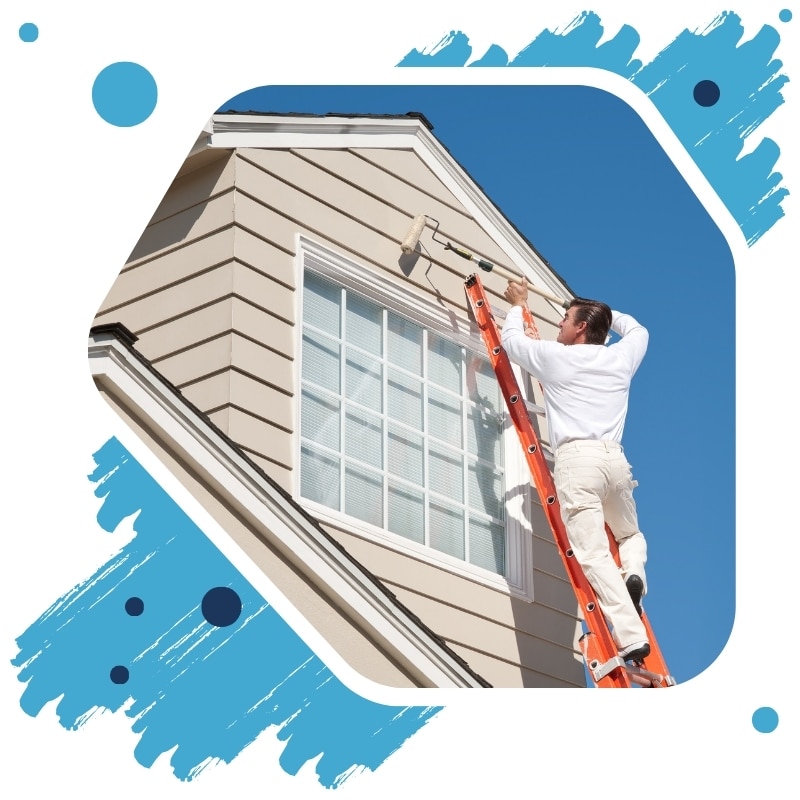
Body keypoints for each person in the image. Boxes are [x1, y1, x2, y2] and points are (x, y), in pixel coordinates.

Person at [501, 278, 650, 663]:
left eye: (566, 318)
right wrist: (603, 312)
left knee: (594, 554)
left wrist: (518, 303)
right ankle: (634, 572)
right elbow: (637, 329)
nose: (560, 325)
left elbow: (513, 343)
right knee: (629, 534)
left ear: (582, 327)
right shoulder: (621, 359)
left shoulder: (557, 357)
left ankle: (632, 637)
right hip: (616, 461)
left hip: (578, 461)